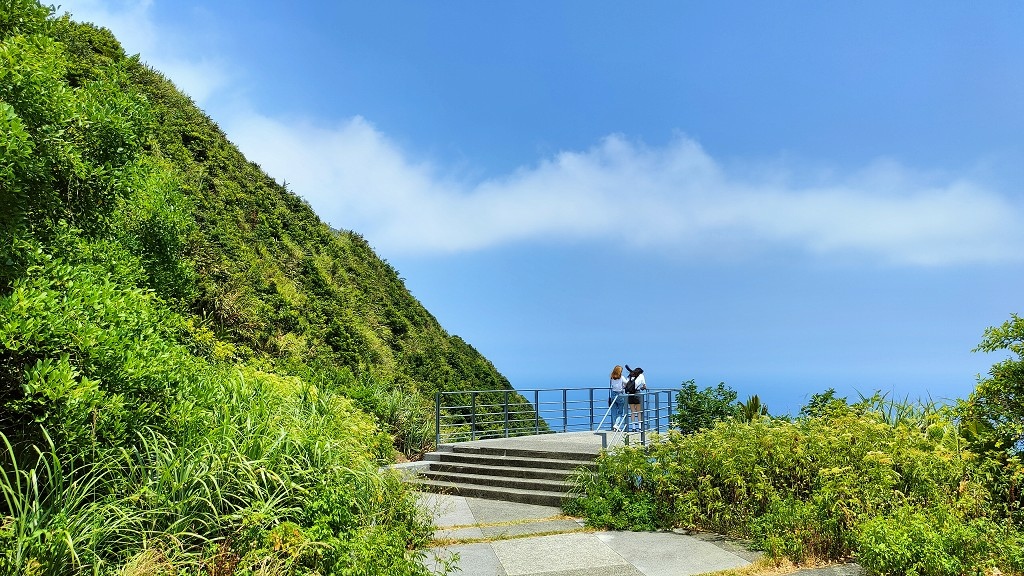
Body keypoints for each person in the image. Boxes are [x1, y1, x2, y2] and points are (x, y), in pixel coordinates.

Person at [625, 366, 647, 432]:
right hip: (637, 394)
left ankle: (633, 427)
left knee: (632, 411)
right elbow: (644, 386)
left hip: (630, 394)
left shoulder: (630, 376)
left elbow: (626, 384)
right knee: (639, 411)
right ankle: (640, 427)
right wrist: (642, 388)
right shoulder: (641, 376)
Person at [608, 365, 628, 431]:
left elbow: (612, 385)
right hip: (620, 394)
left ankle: (614, 426)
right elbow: (626, 383)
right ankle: (616, 424)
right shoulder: (622, 377)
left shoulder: (611, 377)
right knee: (620, 411)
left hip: (613, 394)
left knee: (613, 411)